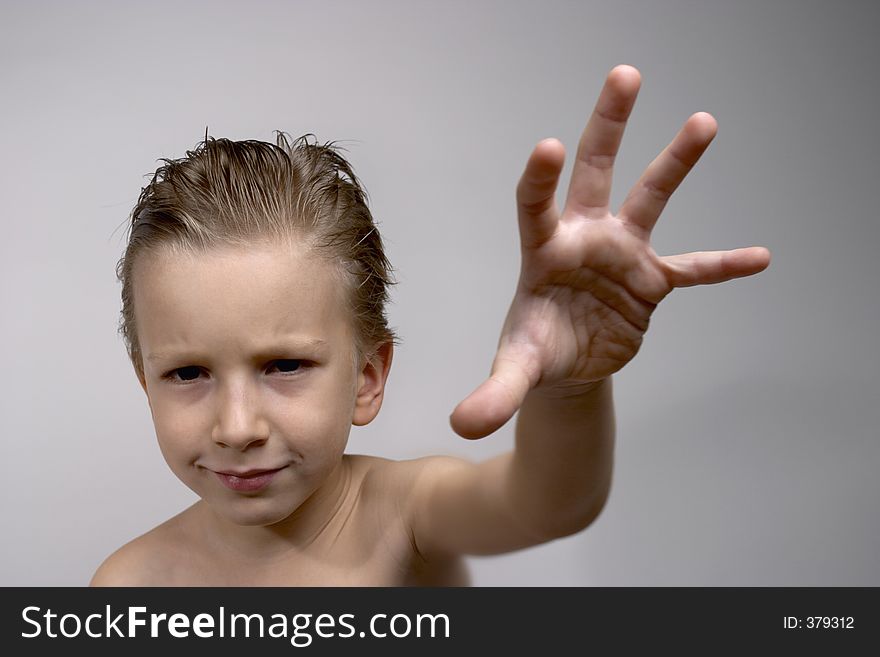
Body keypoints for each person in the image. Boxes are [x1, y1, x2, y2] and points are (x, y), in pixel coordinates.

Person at [90, 65, 770, 586]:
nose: (237, 426)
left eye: (284, 364)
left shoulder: (405, 515)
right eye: (187, 372)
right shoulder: (130, 583)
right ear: (144, 382)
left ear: (367, 377)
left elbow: (547, 501)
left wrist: (571, 386)